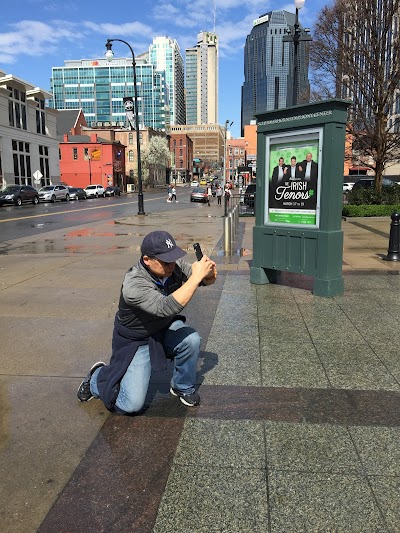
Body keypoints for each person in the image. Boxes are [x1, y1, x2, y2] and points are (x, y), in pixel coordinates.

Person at [77, 231, 217, 413]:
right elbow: (167, 307)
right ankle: (96, 378)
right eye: (166, 261)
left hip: (163, 327)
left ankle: (182, 386)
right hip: (136, 339)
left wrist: (209, 273)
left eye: (173, 258)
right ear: (146, 260)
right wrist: (197, 276)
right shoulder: (134, 284)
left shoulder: (173, 266)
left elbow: (205, 280)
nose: (172, 264)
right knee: (131, 405)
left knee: (191, 340)